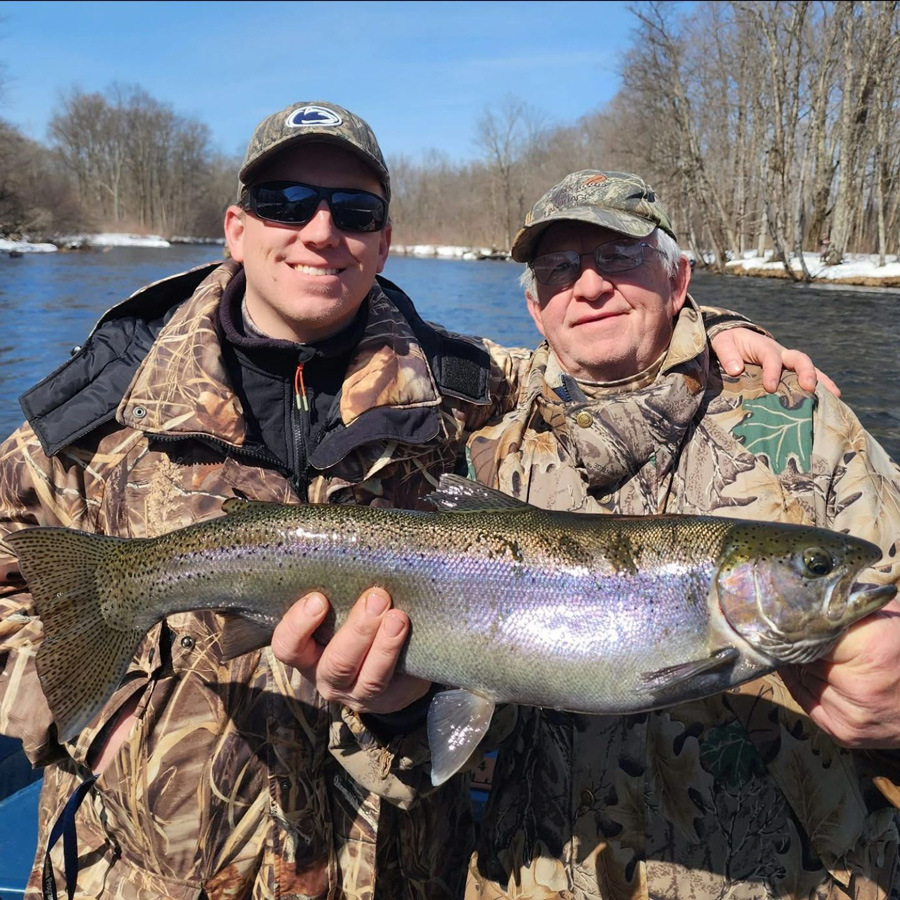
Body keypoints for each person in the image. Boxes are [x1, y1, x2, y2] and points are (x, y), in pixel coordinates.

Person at [0, 94, 827, 900]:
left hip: (392, 869)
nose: (321, 232)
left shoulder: (465, 386)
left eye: (354, 211)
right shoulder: (96, 410)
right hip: (143, 873)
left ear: (384, 241)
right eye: (284, 203)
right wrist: (105, 716)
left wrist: (714, 332)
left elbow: (600, 347)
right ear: (237, 227)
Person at [280, 171, 900, 899]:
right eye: (561, 269)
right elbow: (424, 765)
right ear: (537, 310)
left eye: (621, 257)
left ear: (679, 282)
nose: (591, 286)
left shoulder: (808, 424)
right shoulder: (484, 457)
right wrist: (400, 709)